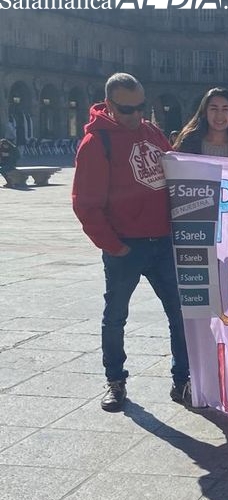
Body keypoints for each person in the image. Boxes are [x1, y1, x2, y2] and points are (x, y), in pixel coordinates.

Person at [71, 72, 194, 412]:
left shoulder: (151, 132)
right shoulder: (97, 143)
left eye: (142, 107)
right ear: (109, 105)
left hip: (163, 243)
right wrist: (114, 246)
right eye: (127, 109)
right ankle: (115, 381)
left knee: (181, 314)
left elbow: (175, 172)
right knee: (115, 316)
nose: (136, 115)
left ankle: (182, 380)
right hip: (126, 246)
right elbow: (85, 203)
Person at [173, 87, 228, 159]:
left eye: (225, 109)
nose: (219, 115)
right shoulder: (188, 144)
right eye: (214, 109)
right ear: (205, 112)